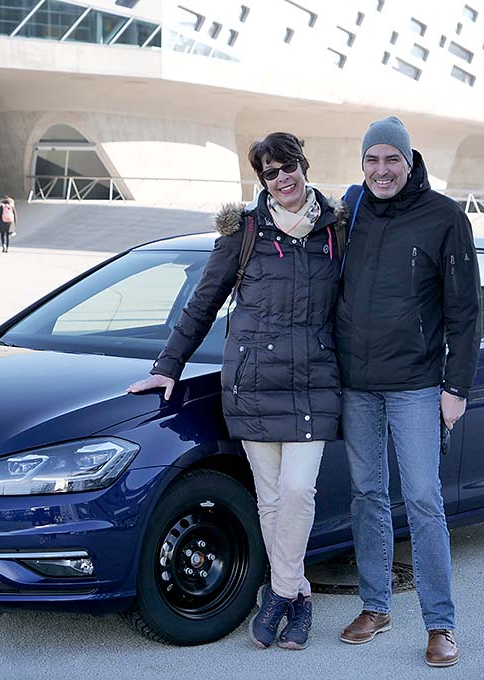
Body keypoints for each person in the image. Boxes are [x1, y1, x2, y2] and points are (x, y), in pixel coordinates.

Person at [127, 132, 347, 651]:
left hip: (314, 384)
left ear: (303, 164)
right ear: (261, 181)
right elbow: (203, 304)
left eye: (288, 166)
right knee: (270, 499)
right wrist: (168, 366)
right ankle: (299, 599)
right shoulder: (244, 232)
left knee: (298, 492)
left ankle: (280, 592)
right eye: (270, 172)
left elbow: (361, 307)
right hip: (252, 387)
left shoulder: (337, 232)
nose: (282, 178)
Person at [335, 116, 481, 668]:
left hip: (418, 385)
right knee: (367, 495)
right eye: (371, 159)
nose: (381, 170)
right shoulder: (351, 210)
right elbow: (289, 211)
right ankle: (375, 607)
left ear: (409, 160)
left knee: (422, 499)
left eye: (391, 159)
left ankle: (440, 624)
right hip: (358, 385)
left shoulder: (444, 217)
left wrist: (456, 386)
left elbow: (466, 312)